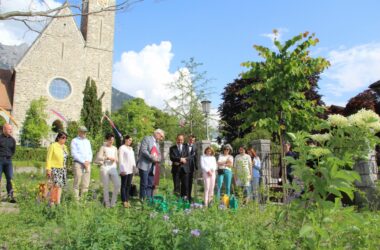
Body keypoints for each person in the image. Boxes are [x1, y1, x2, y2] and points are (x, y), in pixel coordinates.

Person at [137, 129, 165, 200]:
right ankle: (142, 199)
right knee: (144, 183)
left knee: (150, 184)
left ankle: (149, 200)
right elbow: (143, 150)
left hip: (153, 166)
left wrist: (158, 158)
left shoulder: (157, 143)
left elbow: (158, 154)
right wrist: (152, 157)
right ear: (157, 134)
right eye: (161, 136)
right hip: (144, 165)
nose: (161, 138)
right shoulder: (147, 138)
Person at [96, 133, 120, 207]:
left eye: (112, 140)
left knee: (117, 184)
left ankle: (113, 202)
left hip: (113, 167)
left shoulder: (115, 148)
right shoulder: (103, 147)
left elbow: (117, 159)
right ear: (106, 140)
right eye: (109, 140)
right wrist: (107, 158)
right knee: (106, 186)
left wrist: (115, 160)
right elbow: (99, 157)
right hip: (105, 167)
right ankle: (107, 203)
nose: (111, 141)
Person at [46, 132, 68, 205]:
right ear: (58, 138)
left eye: (65, 138)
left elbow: (65, 157)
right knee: (55, 186)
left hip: (62, 169)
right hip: (55, 168)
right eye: (63, 137)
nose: (64, 139)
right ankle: (52, 203)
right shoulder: (53, 145)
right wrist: (48, 169)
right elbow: (48, 158)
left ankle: (58, 202)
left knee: (60, 186)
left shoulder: (64, 147)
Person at [71, 126, 93, 200]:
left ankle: (83, 199)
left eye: (85, 132)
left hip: (87, 163)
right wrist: (83, 161)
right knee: (77, 182)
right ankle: (76, 201)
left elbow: (90, 153)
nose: (84, 133)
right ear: (79, 132)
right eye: (83, 131)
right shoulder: (74, 140)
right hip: (78, 163)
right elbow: (74, 153)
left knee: (86, 182)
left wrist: (88, 161)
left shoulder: (88, 141)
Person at [170, 134, 190, 199]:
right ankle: (177, 200)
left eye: (181, 140)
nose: (180, 141)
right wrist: (180, 159)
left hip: (185, 169)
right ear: (176, 139)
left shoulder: (186, 147)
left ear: (183, 140)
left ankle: (184, 200)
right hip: (176, 170)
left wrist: (180, 160)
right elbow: (172, 157)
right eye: (178, 139)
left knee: (185, 185)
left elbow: (188, 157)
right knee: (176, 186)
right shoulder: (172, 148)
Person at [0, 123, 16, 203]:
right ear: (4, 129)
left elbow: (13, 150)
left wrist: (8, 156)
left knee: (10, 178)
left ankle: (10, 196)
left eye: (11, 129)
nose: (11, 130)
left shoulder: (12, 140)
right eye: (9, 129)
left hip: (8, 161)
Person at [119, 135, 136, 208]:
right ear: (125, 139)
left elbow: (133, 159)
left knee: (128, 185)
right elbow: (120, 159)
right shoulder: (122, 148)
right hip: (125, 170)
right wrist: (122, 170)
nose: (130, 141)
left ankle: (127, 200)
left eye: (131, 140)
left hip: (130, 169)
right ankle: (124, 201)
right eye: (129, 140)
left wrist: (134, 168)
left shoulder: (131, 148)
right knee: (124, 185)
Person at [186, 135, 198, 201]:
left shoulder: (195, 147)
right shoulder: (184, 146)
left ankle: (189, 196)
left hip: (191, 167)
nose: (192, 141)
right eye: (191, 140)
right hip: (185, 166)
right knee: (185, 181)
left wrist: (196, 166)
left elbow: (195, 157)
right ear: (188, 139)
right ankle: (185, 196)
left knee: (190, 181)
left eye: (193, 140)